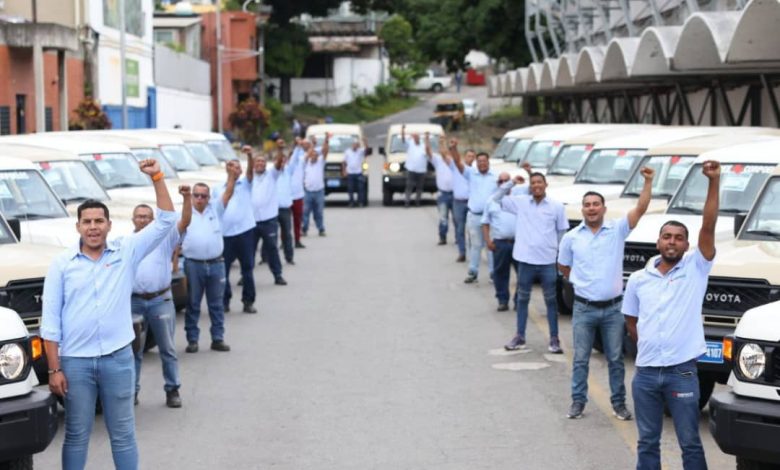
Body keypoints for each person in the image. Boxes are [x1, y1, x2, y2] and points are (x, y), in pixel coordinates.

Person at [41, 158, 174, 470]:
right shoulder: (62, 264)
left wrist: (156, 176)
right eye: (87, 221)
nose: (93, 227)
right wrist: (54, 369)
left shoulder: (126, 251)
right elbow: (50, 322)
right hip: (76, 363)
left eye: (99, 221)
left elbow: (167, 220)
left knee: (123, 434)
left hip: (117, 359)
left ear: (109, 225)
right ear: (78, 227)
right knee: (76, 434)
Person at [622, 161, 721, 470]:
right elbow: (631, 321)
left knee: (689, 441)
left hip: (682, 372)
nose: (672, 241)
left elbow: (708, 225)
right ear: (658, 242)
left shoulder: (695, 268)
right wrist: (648, 344)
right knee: (647, 441)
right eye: (667, 236)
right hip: (646, 373)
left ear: (687, 245)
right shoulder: (638, 279)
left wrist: (713, 182)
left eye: (679, 237)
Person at [558, 167, 656, 421]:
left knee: (615, 359)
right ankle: (578, 402)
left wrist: (648, 181)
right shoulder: (571, 238)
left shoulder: (617, 230)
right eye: (587, 205)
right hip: (584, 308)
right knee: (580, 359)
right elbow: (563, 266)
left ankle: (619, 404)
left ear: (603, 208)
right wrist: (579, 281)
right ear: (582, 210)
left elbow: (641, 208)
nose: (591, 208)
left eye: (596, 204)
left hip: (613, 309)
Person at [493, 167, 568, 354]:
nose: (536, 186)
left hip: (547, 261)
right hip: (525, 260)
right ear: (530, 186)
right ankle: (519, 336)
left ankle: (554, 338)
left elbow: (562, 232)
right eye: (533, 183)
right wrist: (511, 182)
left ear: (545, 184)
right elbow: (496, 198)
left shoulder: (556, 206)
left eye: (539, 182)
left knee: (551, 301)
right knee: (522, 299)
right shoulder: (521, 203)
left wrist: (558, 255)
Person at [131, 184, 193, 409]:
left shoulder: (165, 239)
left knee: (167, 349)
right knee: (134, 352)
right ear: (133, 220)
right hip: (134, 302)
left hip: (160, 301)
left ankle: (172, 389)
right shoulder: (126, 243)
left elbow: (184, 222)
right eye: (139, 216)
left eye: (147, 217)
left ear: (153, 220)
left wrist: (187, 198)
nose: (143, 220)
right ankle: (132, 392)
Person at [183, 174, 240, 354]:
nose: (200, 199)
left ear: (209, 197)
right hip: (193, 265)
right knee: (193, 304)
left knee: (216, 304)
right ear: (192, 196)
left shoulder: (216, 209)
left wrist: (232, 177)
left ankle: (218, 338)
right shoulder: (185, 213)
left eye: (204, 196)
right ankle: (192, 340)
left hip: (216, 264)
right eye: (196, 195)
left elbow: (228, 193)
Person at [214, 148, 257, 314]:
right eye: (231, 166)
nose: (234, 169)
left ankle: (248, 301)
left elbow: (251, 171)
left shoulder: (246, 184)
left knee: (247, 269)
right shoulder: (218, 188)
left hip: (245, 233)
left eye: (237, 167)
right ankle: (225, 301)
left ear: (241, 171)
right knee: (223, 270)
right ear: (226, 169)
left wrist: (249, 155)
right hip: (225, 235)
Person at [450, 139, 496, 283]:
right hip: (475, 216)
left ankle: (493, 273)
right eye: (479, 161)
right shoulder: (471, 173)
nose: (482, 163)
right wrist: (454, 148)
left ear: (488, 162)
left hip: (491, 218)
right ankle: (473, 272)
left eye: (484, 161)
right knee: (475, 245)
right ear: (476, 162)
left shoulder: (495, 177)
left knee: (491, 246)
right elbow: (458, 163)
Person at [249, 140, 288, 285]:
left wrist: (280, 149)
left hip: (269, 220)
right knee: (249, 250)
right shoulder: (248, 177)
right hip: (251, 221)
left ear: (266, 164)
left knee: (272, 248)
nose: (260, 163)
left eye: (262, 161)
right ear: (253, 164)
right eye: (257, 161)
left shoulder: (272, 174)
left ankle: (278, 275)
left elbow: (278, 163)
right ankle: (245, 275)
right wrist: (249, 155)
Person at [482, 172, 519, 311]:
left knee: (523, 274)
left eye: (506, 181)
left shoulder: (518, 200)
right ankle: (502, 300)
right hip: (500, 243)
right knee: (500, 273)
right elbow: (485, 223)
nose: (504, 184)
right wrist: (488, 241)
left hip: (518, 243)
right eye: (501, 181)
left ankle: (519, 300)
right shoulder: (491, 201)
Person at [425, 133, 454, 245]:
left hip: (455, 194)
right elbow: (428, 151)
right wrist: (427, 140)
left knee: (457, 219)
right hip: (443, 194)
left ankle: (458, 237)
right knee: (443, 217)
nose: (444, 151)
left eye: (447, 149)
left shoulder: (454, 161)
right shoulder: (437, 160)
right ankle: (442, 237)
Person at [450, 148, 475, 262]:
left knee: (472, 230)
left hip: (471, 203)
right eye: (469, 156)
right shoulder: (458, 167)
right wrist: (454, 148)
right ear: (465, 157)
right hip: (459, 202)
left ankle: (473, 252)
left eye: (473, 156)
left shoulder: (475, 170)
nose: (471, 158)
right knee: (460, 229)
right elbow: (455, 159)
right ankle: (462, 252)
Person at [303, 134, 329, 236]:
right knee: (305, 212)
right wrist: (312, 145)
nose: (314, 156)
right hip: (308, 191)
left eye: (316, 154)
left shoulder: (321, 162)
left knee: (319, 212)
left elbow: (325, 151)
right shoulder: (306, 163)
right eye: (312, 154)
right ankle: (304, 229)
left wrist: (326, 140)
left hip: (319, 191)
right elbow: (308, 154)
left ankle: (321, 229)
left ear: (318, 156)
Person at [276, 142, 299, 264]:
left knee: (287, 234)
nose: (282, 162)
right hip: (272, 210)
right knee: (270, 235)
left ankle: (289, 257)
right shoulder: (272, 174)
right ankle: (265, 257)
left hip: (285, 209)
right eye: (280, 160)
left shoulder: (289, 171)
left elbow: (294, 159)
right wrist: (279, 150)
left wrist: (298, 147)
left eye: (284, 160)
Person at [400, 124, 428, 207]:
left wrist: (427, 138)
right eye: (415, 137)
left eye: (417, 137)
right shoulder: (410, 143)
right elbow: (403, 139)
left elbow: (428, 151)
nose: (416, 138)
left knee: (420, 187)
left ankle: (417, 201)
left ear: (419, 138)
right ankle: (407, 202)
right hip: (411, 169)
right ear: (413, 138)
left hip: (421, 170)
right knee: (409, 186)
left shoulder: (423, 145)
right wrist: (403, 130)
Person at [290, 138, 307, 249]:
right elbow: (294, 158)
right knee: (285, 223)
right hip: (287, 198)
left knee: (297, 220)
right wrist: (297, 147)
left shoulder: (302, 163)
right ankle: (284, 241)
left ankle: (297, 240)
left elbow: (305, 155)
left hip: (298, 196)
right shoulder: (287, 168)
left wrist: (300, 145)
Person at [343, 137, 368, 207]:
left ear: (358, 145)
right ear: (352, 145)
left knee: (360, 188)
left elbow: (366, 150)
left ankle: (360, 202)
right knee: (350, 189)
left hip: (358, 173)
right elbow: (344, 162)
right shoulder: (347, 152)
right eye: (354, 144)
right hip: (350, 173)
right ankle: (351, 202)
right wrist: (344, 171)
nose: (355, 146)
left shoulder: (360, 151)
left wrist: (365, 142)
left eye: (356, 144)